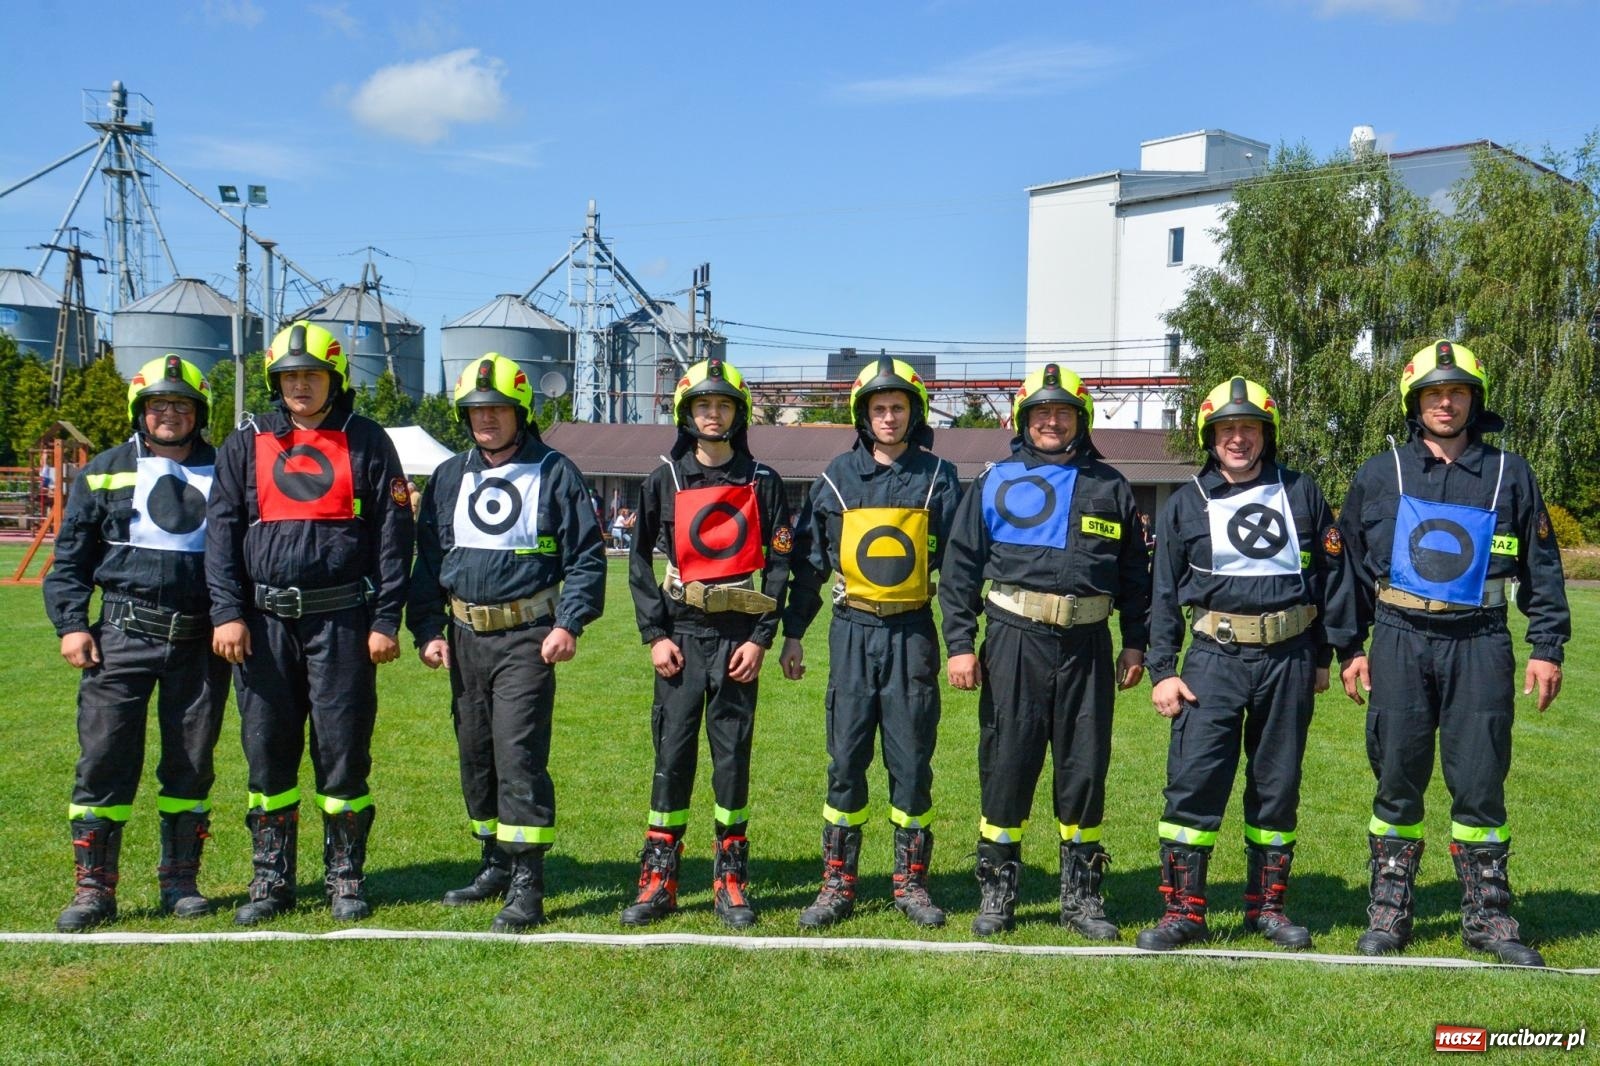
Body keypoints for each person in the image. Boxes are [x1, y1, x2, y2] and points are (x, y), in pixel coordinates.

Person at [1338, 340, 1567, 968]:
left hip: (1482, 640)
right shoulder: (1379, 473)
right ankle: (1388, 909)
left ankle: (1488, 915)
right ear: (1416, 402)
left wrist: (1546, 646)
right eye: (1434, 393)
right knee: (1398, 775)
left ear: (1474, 400)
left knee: (1480, 778)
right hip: (1399, 638)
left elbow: (1541, 566)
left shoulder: (1508, 472)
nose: (1446, 402)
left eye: (1457, 392)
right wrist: (1351, 647)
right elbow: (1352, 569)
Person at [1136, 377, 1355, 952]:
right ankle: (1184, 911)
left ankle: (1268, 909)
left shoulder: (1302, 492)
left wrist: (1327, 654)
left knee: (1277, 785)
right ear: (1211, 437)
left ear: (1266, 434)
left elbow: (1333, 580)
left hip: (1289, 657)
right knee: (1194, 783)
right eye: (1227, 429)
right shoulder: (1185, 503)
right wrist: (1163, 670)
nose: (1238, 439)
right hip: (1211, 660)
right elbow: (1162, 594)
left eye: (1249, 428)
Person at [207, 321, 415, 925]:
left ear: (335, 379)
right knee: (267, 751)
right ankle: (271, 880)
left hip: (344, 625)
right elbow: (221, 535)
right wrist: (227, 612)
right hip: (264, 626)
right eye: (289, 376)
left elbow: (393, 540)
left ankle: (345, 877)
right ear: (276, 381)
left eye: (312, 374)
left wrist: (385, 619)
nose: (300, 385)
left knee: (343, 753)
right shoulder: (245, 442)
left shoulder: (368, 441)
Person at [939, 363, 1151, 937]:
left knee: (1084, 769)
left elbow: (1135, 575)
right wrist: (961, 646)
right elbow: (958, 570)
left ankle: (1081, 896)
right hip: (1014, 640)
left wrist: (1135, 644)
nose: (1051, 422)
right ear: (1023, 421)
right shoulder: (994, 481)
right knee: (1007, 763)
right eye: (1040, 413)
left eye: (1061, 413)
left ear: (1079, 421)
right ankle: (998, 892)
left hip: (1088, 644)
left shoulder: (1111, 486)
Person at [407, 354, 606, 932]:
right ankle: (493, 860)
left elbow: (587, 557)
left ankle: (527, 884)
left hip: (527, 639)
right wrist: (426, 629)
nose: (486, 419)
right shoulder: (447, 477)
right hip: (464, 638)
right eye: (475, 410)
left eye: (496, 409)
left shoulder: (554, 471)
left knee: (517, 755)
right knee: (476, 756)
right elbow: (429, 561)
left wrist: (568, 623)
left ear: (520, 412)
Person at [43, 355, 230, 931]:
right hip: (120, 639)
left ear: (197, 412)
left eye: (181, 405)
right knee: (103, 760)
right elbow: (69, 562)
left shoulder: (227, 471)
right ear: (140, 411)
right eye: (158, 405)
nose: (169, 414)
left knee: (192, 764)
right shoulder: (103, 471)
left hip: (200, 642)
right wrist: (72, 624)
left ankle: (180, 882)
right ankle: (94, 888)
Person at [779, 357, 961, 929]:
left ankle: (911, 884)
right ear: (864, 415)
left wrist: (961, 642)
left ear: (914, 413)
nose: (888, 417)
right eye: (879, 408)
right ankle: (838, 883)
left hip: (912, 633)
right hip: (852, 633)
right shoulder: (836, 476)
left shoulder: (939, 476)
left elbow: (959, 567)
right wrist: (792, 634)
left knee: (912, 761)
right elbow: (809, 564)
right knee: (847, 759)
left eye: (898, 408)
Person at [621, 357, 792, 928]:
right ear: (686, 413)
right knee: (671, 756)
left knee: (731, 759)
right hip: (681, 638)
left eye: (722, 405)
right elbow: (638, 560)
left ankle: (730, 877)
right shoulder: (662, 479)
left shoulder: (762, 482)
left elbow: (781, 566)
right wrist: (654, 635)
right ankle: (659, 877)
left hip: (739, 639)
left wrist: (763, 639)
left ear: (737, 414)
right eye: (702, 405)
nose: (712, 415)